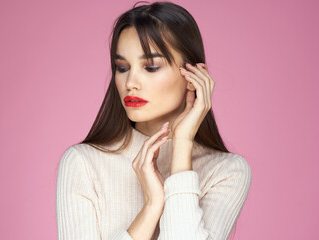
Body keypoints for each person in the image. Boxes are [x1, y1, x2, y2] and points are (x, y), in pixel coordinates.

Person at [56, 1, 252, 239]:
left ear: (193, 77)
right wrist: (152, 206)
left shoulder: (226, 171)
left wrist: (181, 147)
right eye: (122, 68)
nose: (130, 83)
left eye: (150, 67)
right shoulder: (83, 163)